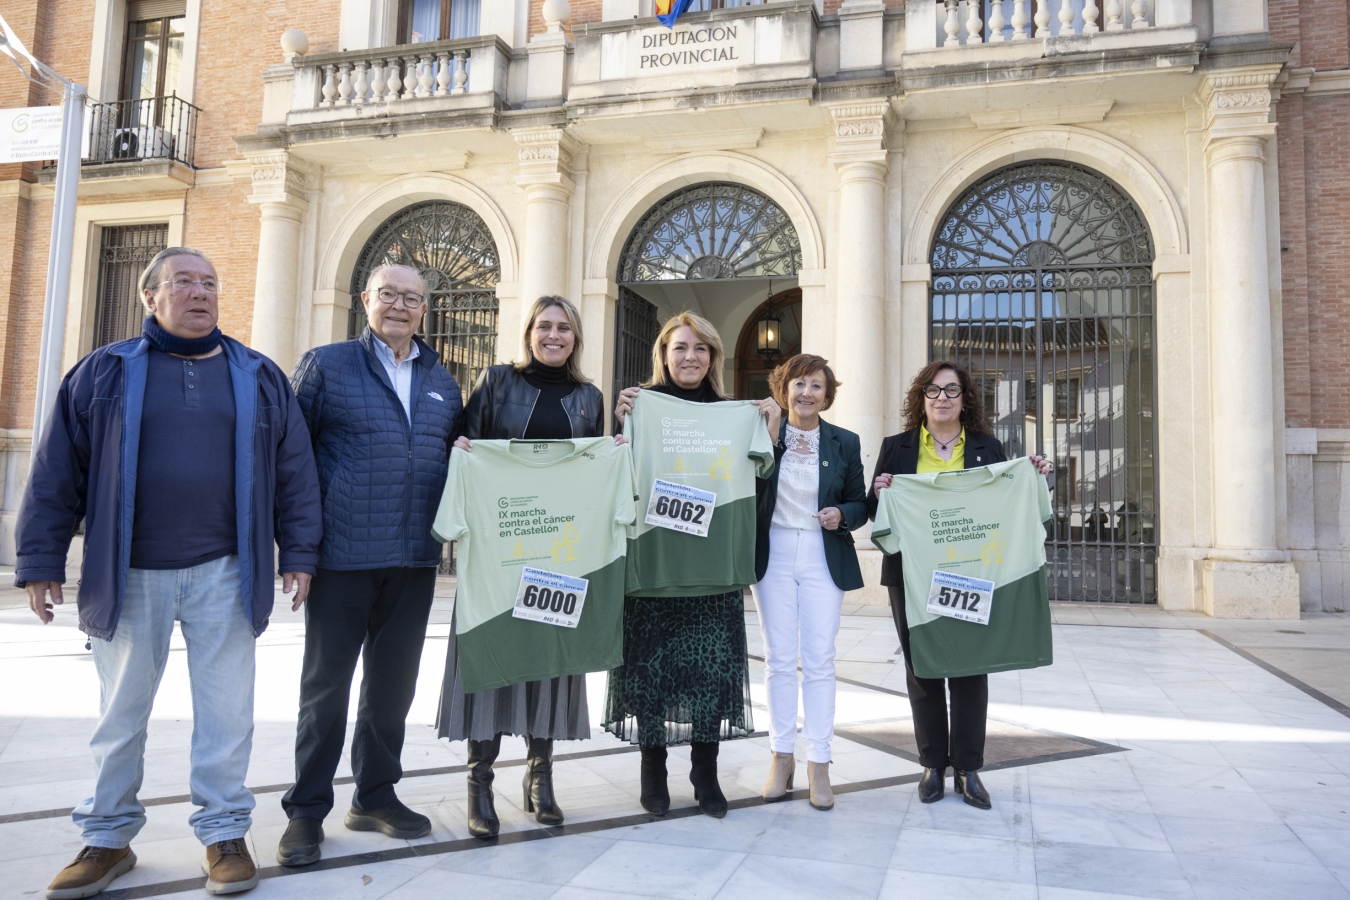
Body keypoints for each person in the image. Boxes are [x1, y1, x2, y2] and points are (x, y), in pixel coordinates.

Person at [17, 247, 322, 898]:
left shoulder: (258, 374)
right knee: (119, 714)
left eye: (210, 282)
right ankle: (107, 838)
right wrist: (39, 560)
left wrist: (298, 553)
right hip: (128, 574)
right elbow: (54, 474)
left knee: (226, 713)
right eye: (183, 281)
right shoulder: (102, 373)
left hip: (227, 570)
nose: (200, 292)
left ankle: (224, 833)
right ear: (149, 297)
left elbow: (295, 471)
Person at [279, 264, 463, 866]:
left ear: (425, 309)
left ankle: (376, 796)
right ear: (366, 300)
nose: (400, 307)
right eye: (389, 295)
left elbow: (457, 458)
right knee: (326, 687)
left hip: (413, 558)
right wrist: (297, 550)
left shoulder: (443, 378)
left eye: (412, 298)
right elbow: (291, 458)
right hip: (343, 557)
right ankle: (306, 811)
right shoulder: (325, 365)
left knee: (392, 688)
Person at [439, 295, 606, 838]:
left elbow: (590, 469)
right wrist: (462, 448)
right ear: (529, 332)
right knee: (489, 656)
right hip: (499, 549)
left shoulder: (589, 397)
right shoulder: (495, 382)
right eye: (544, 326)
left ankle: (541, 777)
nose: (553, 336)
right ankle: (479, 783)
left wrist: (613, 451)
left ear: (576, 337)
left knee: (551, 657)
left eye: (564, 328)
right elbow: (466, 448)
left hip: (560, 550)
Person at [605, 312, 780, 818]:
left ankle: (706, 771)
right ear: (663, 354)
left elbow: (759, 488)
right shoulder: (641, 406)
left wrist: (768, 430)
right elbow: (615, 471)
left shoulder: (734, 413)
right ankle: (652, 767)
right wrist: (621, 423)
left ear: (714, 358)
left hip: (713, 566)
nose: (690, 357)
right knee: (652, 672)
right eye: (680, 347)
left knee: (711, 674)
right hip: (655, 562)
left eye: (701, 348)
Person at [867, 360, 1049, 810]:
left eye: (952, 390)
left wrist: (1034, 473)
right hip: (911, 576)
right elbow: (878, 514)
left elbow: (1004, 505)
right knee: (922, 670)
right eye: (933, 390)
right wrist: (879, 490)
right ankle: (931, 764)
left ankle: (968, 768)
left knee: (971, 668)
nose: (942, 398)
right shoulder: (897, 447)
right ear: (921, 398)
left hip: (972, 574)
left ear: (965, 399)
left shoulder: (989, 447)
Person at [752, 354, 867, 812]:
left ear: (827, 393)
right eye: (798, 384)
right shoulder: (764, 431)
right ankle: (781, 757)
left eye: (816, 386)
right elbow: (750, 485)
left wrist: (843, 514)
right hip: (775, 548)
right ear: (784, 389)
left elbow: (860, 501)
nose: (806, 393)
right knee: (779, 659)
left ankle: (819, 761)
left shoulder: (844, 441)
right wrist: (774, 437)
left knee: (819, 659)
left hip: (823, 553)